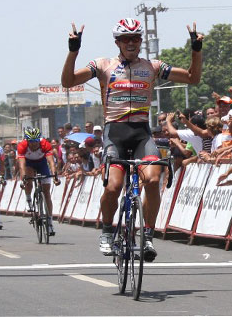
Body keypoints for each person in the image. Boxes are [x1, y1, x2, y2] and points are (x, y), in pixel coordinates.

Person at [61, 18, 203, 262]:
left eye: (135, 38)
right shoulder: (103, 65)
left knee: (153, 178)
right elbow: (68, 82)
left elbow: (193, 78)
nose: (131, 43)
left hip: (141, 134)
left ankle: (147, 234)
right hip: (114, 133)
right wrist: (73, 52)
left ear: (141, 41)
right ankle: (106, 232)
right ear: (117, 42)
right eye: (125, 39)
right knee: (114, 186)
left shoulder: (152, 66)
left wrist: (196, 51)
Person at [17, 127, 60, 235]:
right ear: (27, 140)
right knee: (29, 179)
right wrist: (23, 179)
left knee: (46, 193)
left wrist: (55, 176)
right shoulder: (22, 146)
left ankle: (50, 222)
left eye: (36, 141)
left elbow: (51, 162)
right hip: (29, 164)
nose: (34, 144)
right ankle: (28, 199)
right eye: (31, 141)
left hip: (42, 164)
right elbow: (21, 166)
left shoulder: (45, 144)